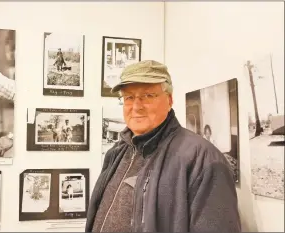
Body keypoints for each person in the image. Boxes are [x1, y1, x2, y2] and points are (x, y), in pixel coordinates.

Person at [85, 60, 240, 232]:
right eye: (129, 97)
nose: (136, 106)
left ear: (169, 100)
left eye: (148, 96)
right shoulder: (118, 152)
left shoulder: (202, 159)